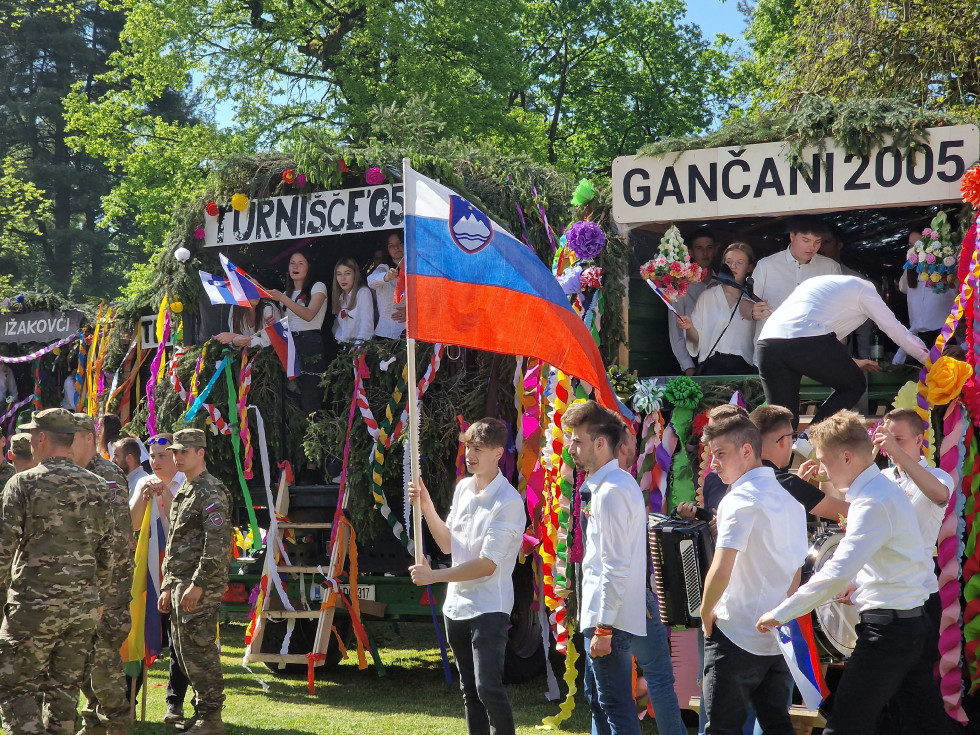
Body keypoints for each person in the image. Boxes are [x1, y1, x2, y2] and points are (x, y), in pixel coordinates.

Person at [757, 411, 941, 735]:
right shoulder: (880, 494)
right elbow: (895, 563)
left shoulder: (873, 502)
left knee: (844, 727)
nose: (823, 470)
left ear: (846, 456)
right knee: (911, 724)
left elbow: (836, 572)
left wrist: (781, 613)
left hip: (889, 631)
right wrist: (859, 586)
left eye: (825, 462)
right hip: (907, 626)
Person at [0, 408, 114, 735]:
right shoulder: (98, 486)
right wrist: (97, 596)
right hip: (82, 608)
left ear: (41, 438)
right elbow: (109, 550)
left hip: (33, 606)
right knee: (64, 690)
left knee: (17, 686)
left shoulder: (23, 483)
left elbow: (3, 550)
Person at [408, 418, 525, 735]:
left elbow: (487, 565)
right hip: (456, 607)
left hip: (489, 607)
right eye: (468, 447)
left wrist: (434, 576)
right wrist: (427, 507)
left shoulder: (509, 502)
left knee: (488, 688)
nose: (470, 455)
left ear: (498, 452)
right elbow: (448, 543)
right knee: (470, 691)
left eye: (478, 449)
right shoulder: (462, 489)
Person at [699, 408, 808, 735]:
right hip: (775, 636)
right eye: (711, 454)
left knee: (721, 729)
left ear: (747, 450)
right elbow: (795, 576)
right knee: (776, 725)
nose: (713, 463)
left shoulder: (738, 498)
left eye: (720, 453)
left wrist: (705, 614)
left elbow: (721, 567)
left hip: (735, 634)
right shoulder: (792, 502)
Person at [756, 275, 929, 441]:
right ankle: (809, 436)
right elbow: (897, 332)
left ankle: (774, 469)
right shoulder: (866, 291)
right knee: (854, 384)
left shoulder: (824, 287)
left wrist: (854, 362)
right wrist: (931, 361)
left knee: (781, 422)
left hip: (767, 342)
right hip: (805, 339)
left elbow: (822, 347)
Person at [564, 400, 646, 735]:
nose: (571, 448)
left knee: (613, 705)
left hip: (606, 619)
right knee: (600, 701)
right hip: (604, 616)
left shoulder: (611, 491)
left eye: (578, 441)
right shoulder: (613, 485)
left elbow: (614, 566)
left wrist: (604, 629)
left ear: (600, 443)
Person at [872, 409, 953, 734]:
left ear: (920, 440)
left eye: (899, 439)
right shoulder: (880, 480)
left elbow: (939, 495)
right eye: (886, 438)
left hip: (919, 596)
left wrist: (898, 455)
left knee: (916, 684)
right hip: (883, 595)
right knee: (886, 691)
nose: (890, 445)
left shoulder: (937, 475)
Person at [159, 428, 232, 735]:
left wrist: (199, 583)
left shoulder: (210, 491)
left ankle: (211, 718)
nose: (177, 457)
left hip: (198, 587)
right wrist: (166, 583)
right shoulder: (186, 491)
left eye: (183, 452)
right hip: (179, 585)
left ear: (200, 453)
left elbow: (217, 544)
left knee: (201, 652)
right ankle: (201, 714)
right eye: (174, 452)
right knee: (185, 652)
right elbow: (177, 543)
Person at [615, 426, 686, 735]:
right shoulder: (624, 487)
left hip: (614, 596)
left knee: (606, 684)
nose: (636, 445)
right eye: (630, 440)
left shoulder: (596, 487)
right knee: (657, 676)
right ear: (618, 447)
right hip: (631, 594)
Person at [72, 413, 135, 735]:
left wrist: (102, 591)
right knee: (81, 657)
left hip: (107, 587)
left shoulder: (106, 474)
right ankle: (93, 719)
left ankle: (117, 723)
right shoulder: (72, 472)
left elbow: (118, 537)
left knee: (101, 660)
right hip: (80, 585)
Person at [131, 433, 190, 726]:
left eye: (162, 456)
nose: (155, 461)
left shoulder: (187, 483)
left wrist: (164, 494)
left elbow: (181, 524)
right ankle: (131, 699)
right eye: (152, 456)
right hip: (150, 572)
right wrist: (144, 498)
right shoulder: (143, 481)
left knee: (179, 641)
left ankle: (175, 702)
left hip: (179, 572)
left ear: (176, 456)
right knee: (141, 631)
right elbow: (131, 523)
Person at [749, 405, 850, 521]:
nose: (793, 442)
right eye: (793, 436)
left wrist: (799, 483)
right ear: (783, 441)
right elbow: (849, 512)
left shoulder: (743, 477)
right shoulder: (788, 484)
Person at [676, 242, 758, 375]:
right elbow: (696, 339)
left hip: (744, 366)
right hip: (712, 365)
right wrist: (689, 327)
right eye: (729, 262)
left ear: (750, 268)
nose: (733, 266)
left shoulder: (753, 299)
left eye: (740, 262)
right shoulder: (708, 296)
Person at [750, 216, 841, 329]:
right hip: (773, 341)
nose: (812, 247)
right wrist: (753, 312)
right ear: (792, 236)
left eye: (817, 242)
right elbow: (746, 302)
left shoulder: (830, 268)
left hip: (814, 341)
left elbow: (839, 311)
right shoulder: (766, 265)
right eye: (806, 240)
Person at [268, 250, 329, 413]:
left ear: (309, 267)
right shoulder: (287, 293)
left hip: (310, 343)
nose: (295, 266)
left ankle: (314, 435)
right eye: (292, 263)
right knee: (291, 395)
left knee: (311, 395)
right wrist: (276, 323)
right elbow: (288, 321)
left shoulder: (318, 287)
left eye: (300, 263)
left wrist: (282, 298)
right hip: (290, 343)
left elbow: (309, 315)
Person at [894, 229, 957, 364]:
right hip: (920, 340)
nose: (916, 250)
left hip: (944, 339)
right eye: (911, 246)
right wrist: (910, 264)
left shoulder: (944, 273)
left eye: (920, 245)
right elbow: (903, 288)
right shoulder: (911, 275)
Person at [667, 228, 718, 375]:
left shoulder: (722, 285)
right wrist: (688, 366)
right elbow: (675, 332)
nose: (705, 253)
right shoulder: (682, 288)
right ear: (691, 253)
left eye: (709, 248)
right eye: (699, 248)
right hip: (693, 359)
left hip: (718, 358)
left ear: (715, 250)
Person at [819, 226, 874, 361]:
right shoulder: (805, 278)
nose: (820, 248)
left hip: (847, 357)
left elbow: (865, 327)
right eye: (817, 242)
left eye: (826, 242)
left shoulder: (855, 280)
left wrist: (864, 359)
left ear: (839, 245)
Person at [367, 231, 408, 339]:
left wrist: (412, 311)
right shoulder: (383, 268)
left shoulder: (416, 268)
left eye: (400, 243)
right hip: (385, 334)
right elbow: (370, 281)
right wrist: (386, 277)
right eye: (391, 246)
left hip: (410, 332)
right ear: (387, 250)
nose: (396, 248)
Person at [331, 256, 375, 345]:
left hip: (360, 347)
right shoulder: (341, 297)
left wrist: (358, 346)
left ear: (355, 274)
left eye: (347, 273)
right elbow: (338, 326)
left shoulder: (363, 293)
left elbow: (366, 323)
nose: (342, 278)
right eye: (339, 274)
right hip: (344, 347)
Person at [214, 296, 282, 349]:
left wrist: (236, 337)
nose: (254, 293)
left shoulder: (268, 308)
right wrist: (235, 341)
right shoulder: (235, 308)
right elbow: (234, 343)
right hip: (244, 358)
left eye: (256, 288)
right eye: (249, 289)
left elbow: (267, 343)